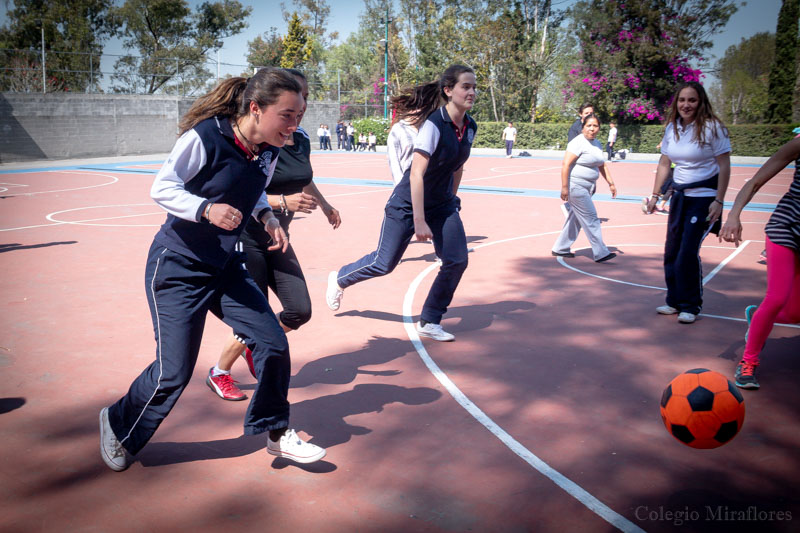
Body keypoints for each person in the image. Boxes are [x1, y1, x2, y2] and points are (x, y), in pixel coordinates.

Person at [98, 68, 327, 472]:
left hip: (225, 266)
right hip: (177, 267)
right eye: (287, 115)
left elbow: (253, 188)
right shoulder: (205, 137)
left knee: (273, 342)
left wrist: (266, 216)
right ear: (256, 109)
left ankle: (277, 433)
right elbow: (162, 187)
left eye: (300, 115)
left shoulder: (270, 150)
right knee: (174, 372)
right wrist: (204, 209)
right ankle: (117, 423)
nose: (294, 126)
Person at [207, 68, 342, 401]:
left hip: (279, 235)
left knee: (299, 309)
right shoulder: (261, 138)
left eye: (306, 99)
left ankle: (257, 345)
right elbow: (243, 188)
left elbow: (303, 177)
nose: (302, 105)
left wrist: (324, 205)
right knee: (255, 314)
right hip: (249, 234)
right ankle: (220, 372)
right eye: (296, 97)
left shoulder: (301, 138)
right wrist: (283, 202)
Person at [325, 65, 478, 342]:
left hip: (441, 204)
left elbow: (458, 167)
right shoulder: (434, 124)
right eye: (465, 86)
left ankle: (430, 319)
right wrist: (418, 219)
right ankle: (340, 278)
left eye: (474, 87)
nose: (472, 92)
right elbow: (417, 173)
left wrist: (452, 197)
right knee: (384, 264)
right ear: (448, 90)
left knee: (456, 260)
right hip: (407, 204)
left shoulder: (469, 127)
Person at [644, 81, 731, 324]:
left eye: (692, 100)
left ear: (701, 102)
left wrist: (719, 200)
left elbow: (724, 165)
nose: (686, 105)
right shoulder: (672, 128)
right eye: (682, 100)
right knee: (671, 251)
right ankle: (674, 300)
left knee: (687, 253)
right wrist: (655, 196)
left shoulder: (714, 128)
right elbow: (664, 163)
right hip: (679, 197)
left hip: (703, 199)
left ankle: (691, 305)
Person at [719, 136, 800, 389]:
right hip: (785, 228)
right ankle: (748, 362)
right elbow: (755, 181)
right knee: (776, 298)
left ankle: (755, 316)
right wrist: (733, 215)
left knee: (795, 313)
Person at [551, 113, 618, 262]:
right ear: (583, 128)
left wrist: (611, 183)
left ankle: (560, 248)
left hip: (588, 188)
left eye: (595, 126)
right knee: (592, 218)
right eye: (589, 126)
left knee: (575, 220)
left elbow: (601, 164)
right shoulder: (577, 142)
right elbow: (566, 164)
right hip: (576, 186)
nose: (592, 129)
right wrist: (564, 187)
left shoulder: (597, 143)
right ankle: (601, 252)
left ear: (599, 128)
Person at [386, 81, 441, 185]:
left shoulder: (427, 128)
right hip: (407, 186)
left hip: (428, 186)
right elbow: (394, 162)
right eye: (417, 108)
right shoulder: (398, 130)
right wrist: (401, 188)